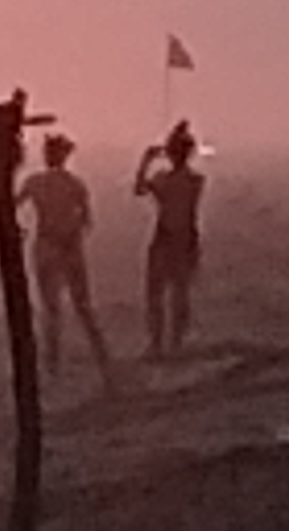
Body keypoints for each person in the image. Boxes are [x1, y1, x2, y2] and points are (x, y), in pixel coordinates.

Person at [13, 133, 122, 391]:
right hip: (65, 246)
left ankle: (57, 365)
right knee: (79, 306)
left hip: (49, 246)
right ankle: (98, 358)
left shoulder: (38, 182)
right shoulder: (73, 184)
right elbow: (87, 220)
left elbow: (11, 207)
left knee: (54, 309)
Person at [132, 122, 208, 358]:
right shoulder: (195, 180)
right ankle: (174, 343)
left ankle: (159, 343)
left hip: (166, 238)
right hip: (184, 238)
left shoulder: (166, 179)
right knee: (178, 293)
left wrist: (146, 161)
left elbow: (139, 189)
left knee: (158, 293)